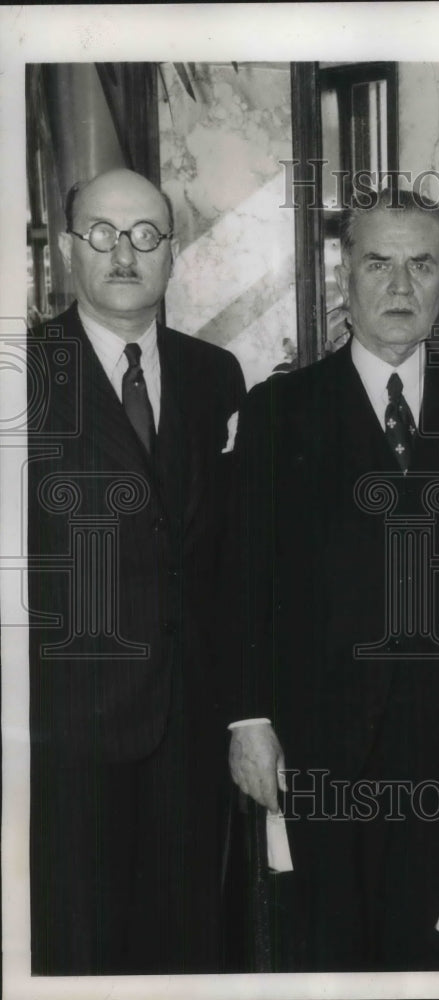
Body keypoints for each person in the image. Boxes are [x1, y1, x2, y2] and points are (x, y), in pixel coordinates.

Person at [226, 188, 439, 971]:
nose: (400, 287)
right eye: (378, 263)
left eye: (421, 265)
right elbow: (238, 577)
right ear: (345, 277)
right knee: (327, 953)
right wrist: (247, 720)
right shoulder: (277, 410)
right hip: (318, 743)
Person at [27, 168, 246, 974]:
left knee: (186, 944)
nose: (126, 252)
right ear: (65, 248)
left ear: (173, 254)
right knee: (76, 949)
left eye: (147, 234)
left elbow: (224, 556)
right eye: (103, 234)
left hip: (188, 723)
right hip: (63, 729)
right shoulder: (22, 374)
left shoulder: (213, 374)